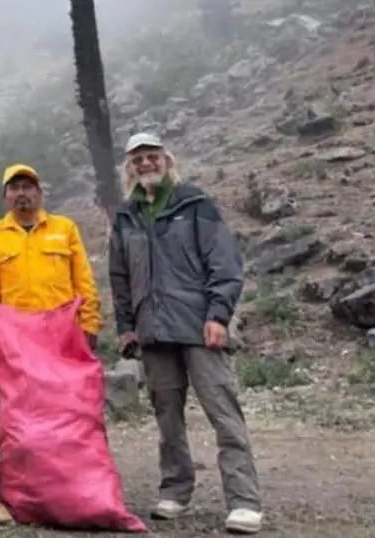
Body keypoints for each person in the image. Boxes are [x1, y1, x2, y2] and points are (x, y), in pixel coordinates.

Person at [110, 133, 262, 535]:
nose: (146, 164)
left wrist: (219, 315)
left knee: (223, 412)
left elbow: (224, 263)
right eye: (138, 159)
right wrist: (126, 327)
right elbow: (120, 276)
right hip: (152, 331)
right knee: (167, 417)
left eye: (152, 156)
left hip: (199, 327)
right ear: (130, 168)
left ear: (167, 160)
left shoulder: (195, 203)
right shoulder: (126, 216)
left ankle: (244, 501)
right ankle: (175, 491)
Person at [0, 164, 101, 355]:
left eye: (27, 187)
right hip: (16, 338)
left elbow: (84, 282)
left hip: (64, 333)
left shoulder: (65, 229)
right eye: (14, 188)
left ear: (39, 193)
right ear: (5, 196)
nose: (21, 193)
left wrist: (90, 324)